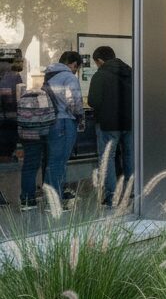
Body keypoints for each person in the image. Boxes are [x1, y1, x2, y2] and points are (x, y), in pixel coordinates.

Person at [87, 45, 133, 205]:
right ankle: (131, 191)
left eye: (96, 63)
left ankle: (111, 195)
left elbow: (93, 101)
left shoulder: (100, 75)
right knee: (129, 155)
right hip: (129, 122)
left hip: (108, 124)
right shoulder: (131, 72)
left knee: (107, 158)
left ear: (100, 60)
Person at [42, 51, 85, 204]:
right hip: (65, 122)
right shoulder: (69, 77)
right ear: (74, 64)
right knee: (59, 162)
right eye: (76, 68)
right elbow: (74, 101)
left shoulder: (49, 75)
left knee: (53, 161)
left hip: (52, 122)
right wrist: (80, 116)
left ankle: (50, 196)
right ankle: (55, 200)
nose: (76, 71)